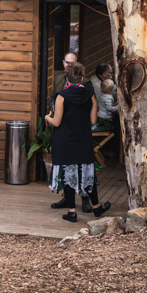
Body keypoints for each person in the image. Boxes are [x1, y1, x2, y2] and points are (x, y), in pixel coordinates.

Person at [46, 61, 109, 222]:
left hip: (65, 140)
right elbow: (93, 121)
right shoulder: (90, 95)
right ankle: (96, 207)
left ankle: (72, 212)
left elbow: (57, 122)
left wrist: (47, 117)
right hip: (83, 139)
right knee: (87, 172)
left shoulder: (61, 96)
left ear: (67, 80)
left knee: (68, 173)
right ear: (81, 80)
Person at [89, 63, 118, 129]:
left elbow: (110, 93)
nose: (111, 75)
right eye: (110, 73)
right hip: (101, 115)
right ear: (104, 74)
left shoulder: (102, 81)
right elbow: (102, 102)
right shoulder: (96, 85)